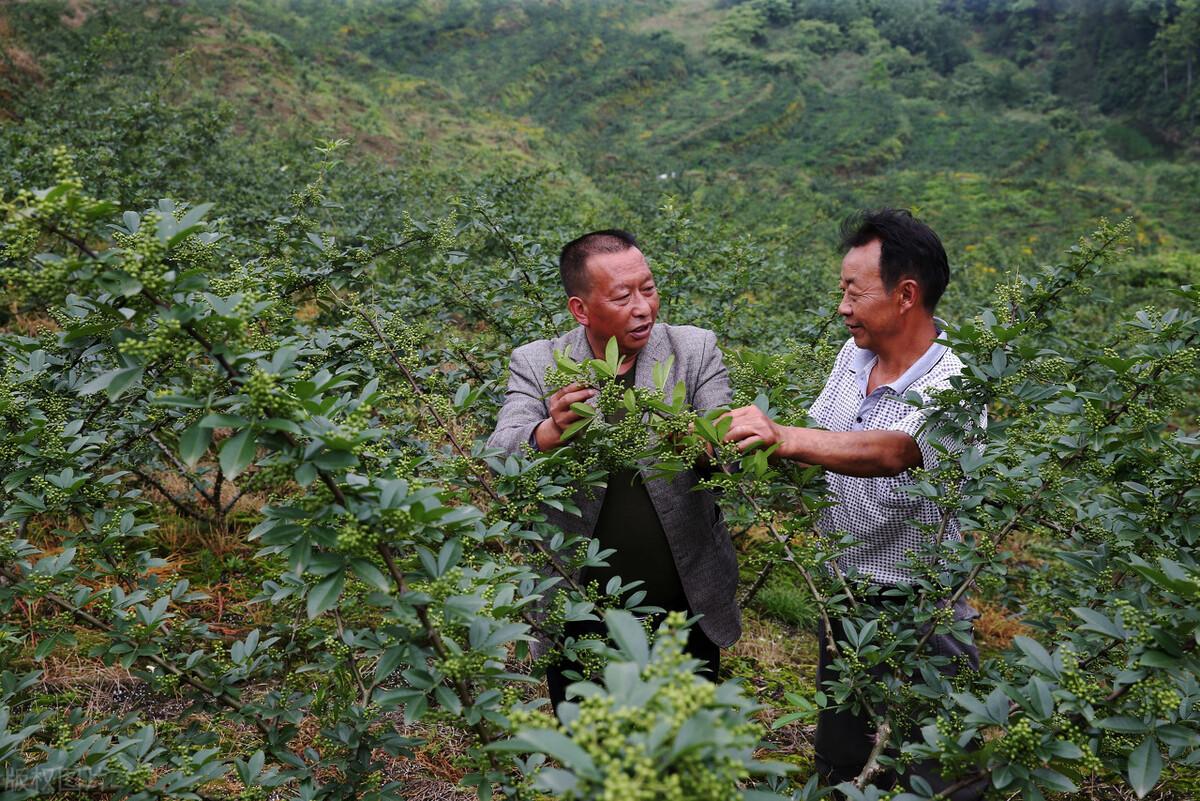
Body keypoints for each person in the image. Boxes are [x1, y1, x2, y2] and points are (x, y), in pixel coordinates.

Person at [721, 209, 984, 799]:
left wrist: (783, 436)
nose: (842, 306)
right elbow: (824, 439)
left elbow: (894, 451)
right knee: (842, 753)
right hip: (844, 586)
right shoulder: (852, 356)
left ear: (905, 295)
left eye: (852, 291)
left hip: (922, 605)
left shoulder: (955, 384)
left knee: (938, 768)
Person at [487, 229, 741, 712]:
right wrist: (548, 433)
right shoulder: (540, 364)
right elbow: (499, 453)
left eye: (648, 288)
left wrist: (700, 441)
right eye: (623, 296)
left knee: (680, 750)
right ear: (580, 309)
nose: (643, 307)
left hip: (685, 603)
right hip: (580, 604)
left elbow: (728, 448)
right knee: (590, 747)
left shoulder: (694, 350)